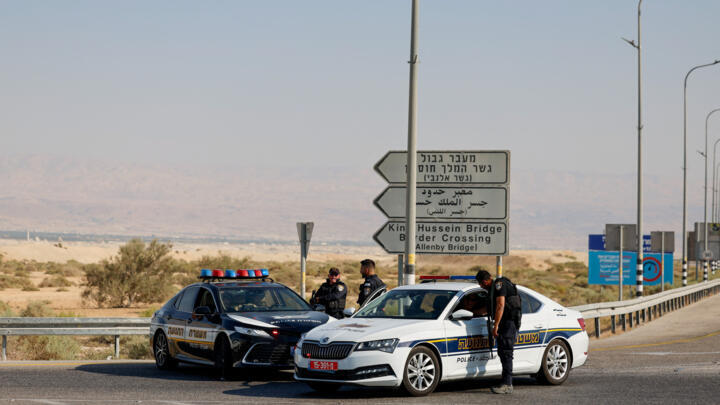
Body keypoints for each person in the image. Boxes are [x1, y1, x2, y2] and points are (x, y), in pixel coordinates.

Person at [476, 270, 520, 395]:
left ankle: (507, 384)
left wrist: (495, 326)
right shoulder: (494, 288)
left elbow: (500, 305)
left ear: (484, 281)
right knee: (503, 352)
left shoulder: (499, 285)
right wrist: (474, 312)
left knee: (506, 352)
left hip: (508, 323)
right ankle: (505, 382)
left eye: (480, 284)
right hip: (506, 322)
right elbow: (491, 307)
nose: (480, 287)